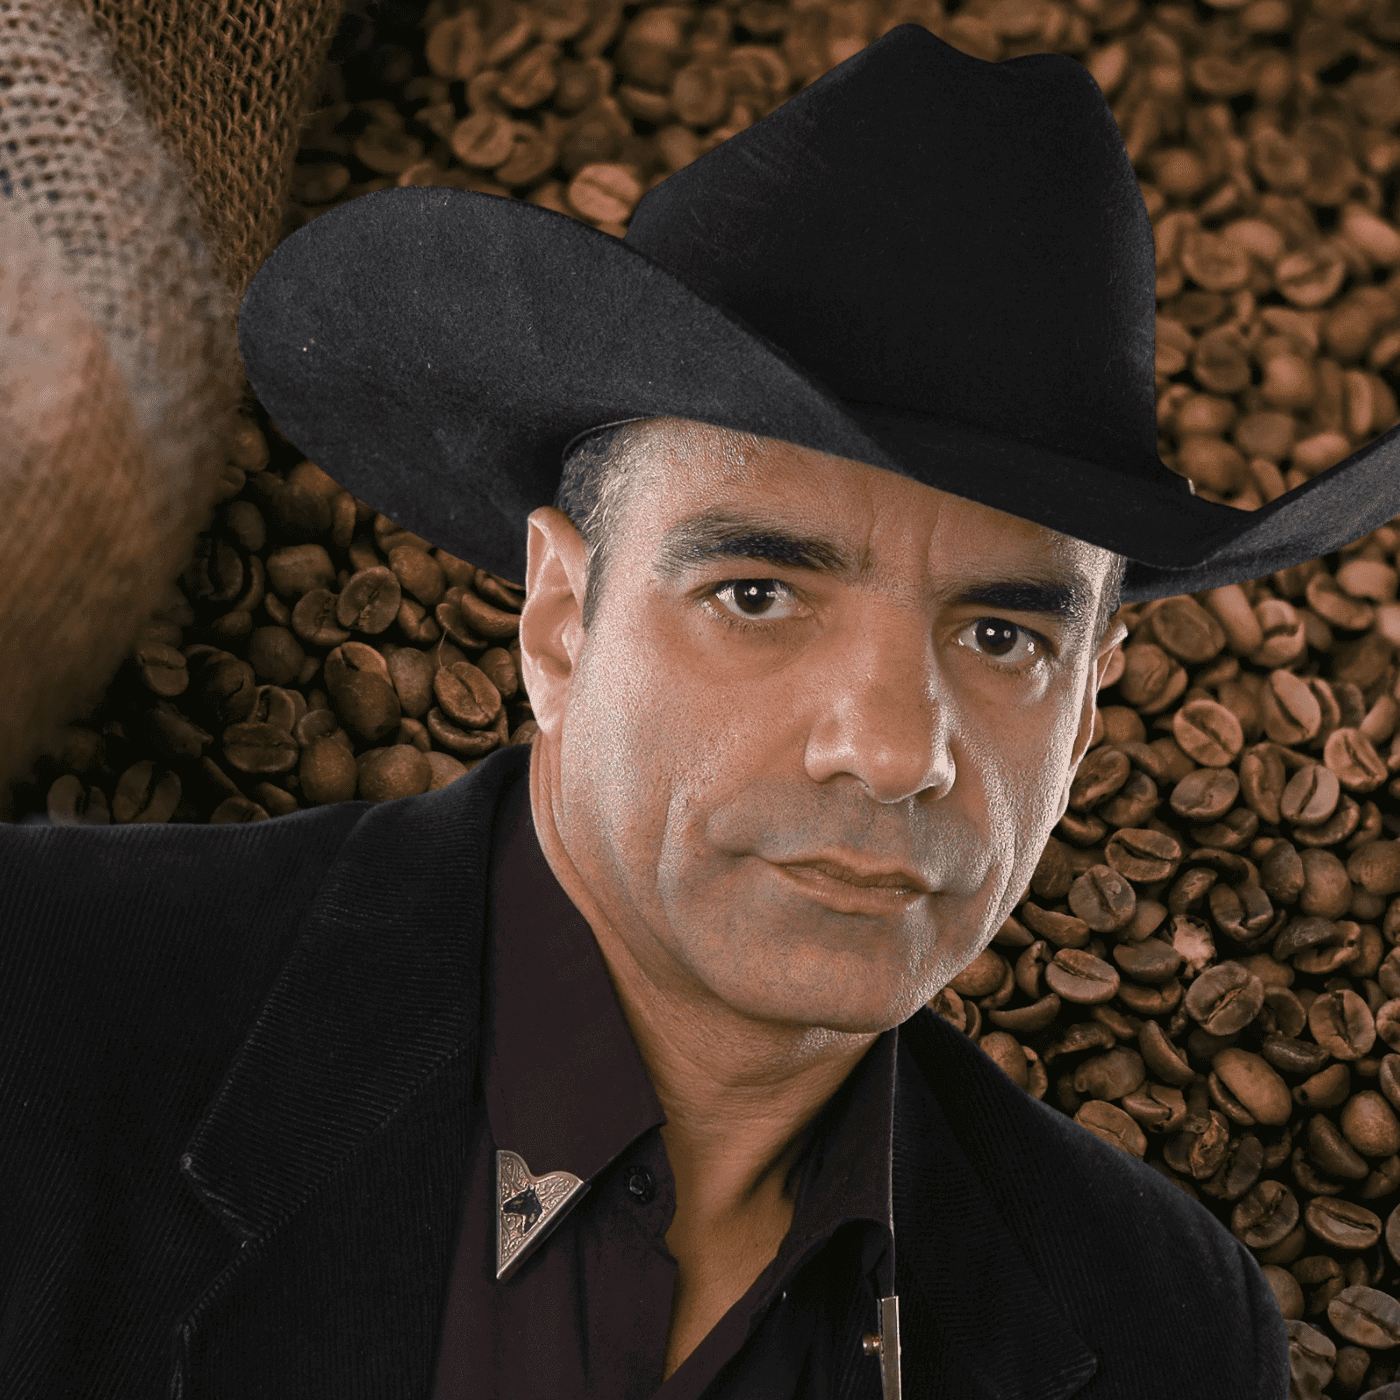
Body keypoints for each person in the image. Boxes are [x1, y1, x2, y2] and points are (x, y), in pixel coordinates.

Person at [6, 19, 1397, 1399]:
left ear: (1090, 710)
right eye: (757, 595)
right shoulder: (51, 1003)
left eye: (1000, 636)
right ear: (560, 618)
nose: (896, 750)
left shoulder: (1166, 1329)